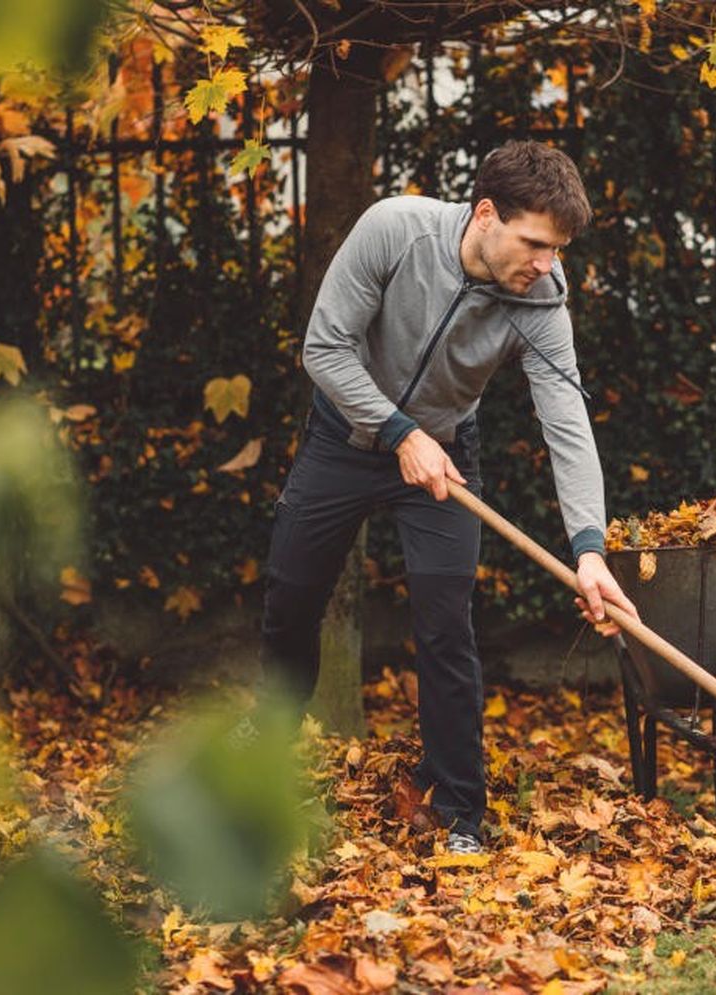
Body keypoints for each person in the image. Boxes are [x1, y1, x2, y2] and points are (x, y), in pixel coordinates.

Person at [260, 140, 638, 854]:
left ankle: (460, 812)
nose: (547, 264)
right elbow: (325, 348)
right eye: (535, 244)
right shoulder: (395, 231)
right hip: (345, 439)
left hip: (445, 459)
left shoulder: (541, 299)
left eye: (557, 250)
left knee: (445, 626)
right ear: (485, 215)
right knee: (289, 602)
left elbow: (565, 418)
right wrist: (399, 432)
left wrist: (590, 550)